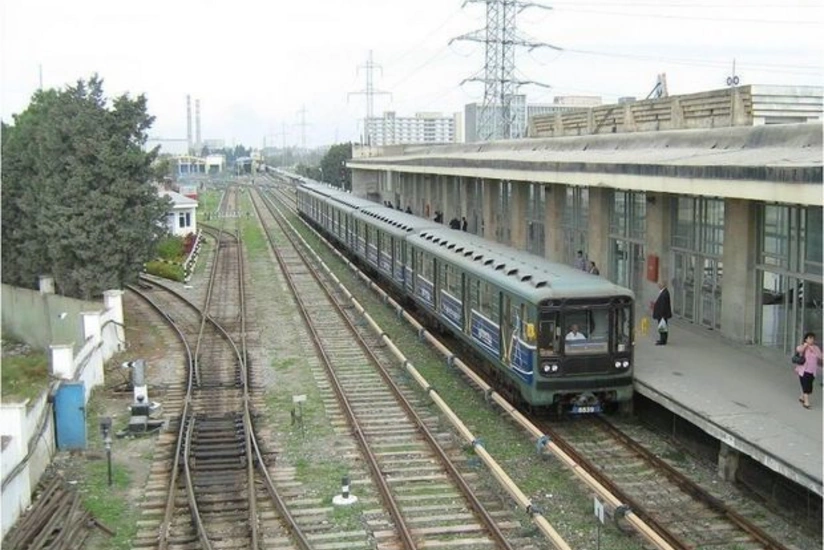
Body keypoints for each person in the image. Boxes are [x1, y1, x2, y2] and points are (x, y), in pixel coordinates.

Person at [795, 332, 822, 409]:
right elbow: (799, 350)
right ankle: (806, 403)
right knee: (806, 385)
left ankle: (802, 397)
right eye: (810, 338)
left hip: (812, 371)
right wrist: (805, 346)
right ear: (806, 339)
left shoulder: (816, 348)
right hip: (803, 371)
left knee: (809, 386)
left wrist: (813, 349)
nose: (811, 340)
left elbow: (820, 356)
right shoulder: (802, 346)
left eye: (813, 338)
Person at [652, 281, 673, 345]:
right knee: (662, 327)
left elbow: (663, 305)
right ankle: (662, 339)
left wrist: (661, 314)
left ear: (663, 285)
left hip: (662, 314)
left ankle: (663, 340)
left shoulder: (664, 293)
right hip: (662, 314)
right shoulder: (663, 292)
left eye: (660, 284)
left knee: (662, 327)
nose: (658, 285)